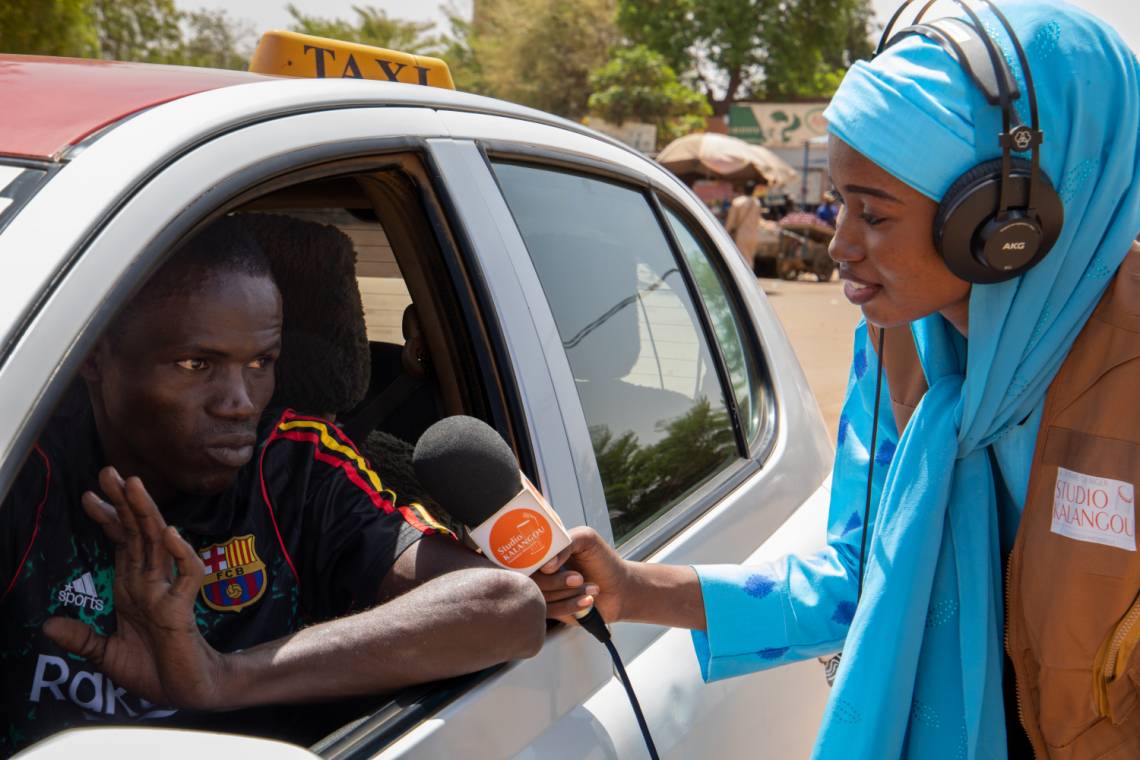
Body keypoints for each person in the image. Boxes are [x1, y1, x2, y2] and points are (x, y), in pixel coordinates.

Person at [538, 1, 1140, 757]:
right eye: (840, 207)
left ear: (1004, 225)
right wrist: (633, 589)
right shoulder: (898, 344)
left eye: (875, 216)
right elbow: (854, 575)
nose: (839, 247)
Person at [0, 216, 546, 754]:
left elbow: (506, 607)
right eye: (197, 363)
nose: (239, 400)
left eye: (261, 361)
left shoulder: (294, 463)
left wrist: (222, 678)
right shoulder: (21, 456)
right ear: (95, 355)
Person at [724, 181, 764, 263]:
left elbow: (730, 221)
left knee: (741, 260)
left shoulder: (737, 202)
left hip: (741, 235)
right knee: (750, 259)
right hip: (753, 234)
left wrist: (725, 233)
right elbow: (758, 220)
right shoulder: (757, 203)